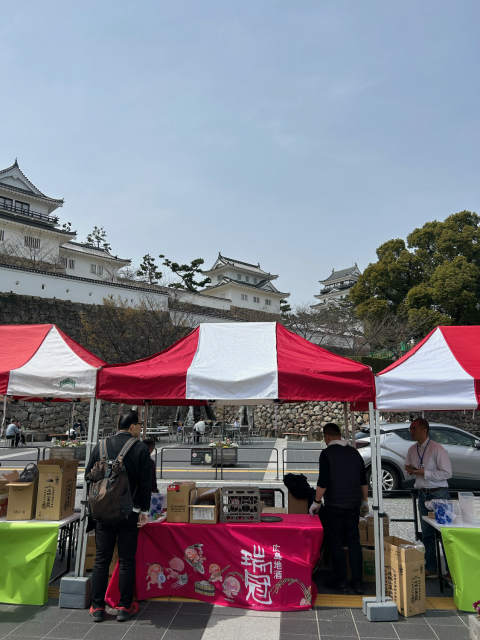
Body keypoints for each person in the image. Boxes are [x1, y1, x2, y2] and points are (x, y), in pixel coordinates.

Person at [86, 410, 152, 623]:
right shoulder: (140, 448)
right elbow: (146, 485)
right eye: (139, 425)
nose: (140, 428)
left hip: (102, 513)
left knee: (101, 560)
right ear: (132, 426)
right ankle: (124, 606)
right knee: (126, 560)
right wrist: (143, 510)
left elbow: (89, 476)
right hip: (128, 514)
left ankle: (97, 607)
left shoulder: (101, 446)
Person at [309, 423, 369, 594]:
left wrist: (316, 501)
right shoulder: (354, 452)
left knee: (335, 542)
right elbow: (363, 481)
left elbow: (323, 481)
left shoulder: (327, 453)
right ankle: (357, 582)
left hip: (335, 504)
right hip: (353, 504)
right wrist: (364, 502)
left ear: (327, 436)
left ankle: (340, 580)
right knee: (353, 542)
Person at [405, 417, 452, 578]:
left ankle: (451, 570)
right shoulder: (412, 449)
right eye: (411, 428)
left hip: (439, 493)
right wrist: (411, 469)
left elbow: (447, 473)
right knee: (427, 533)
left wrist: (425, 472)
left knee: (444, 532)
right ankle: (431, 566)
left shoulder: (437, 449)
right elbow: (408, 467)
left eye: (414, 428)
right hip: (422, 493)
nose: (411, 431)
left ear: (424, 430)